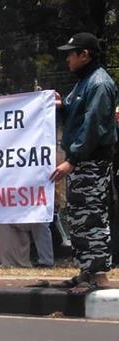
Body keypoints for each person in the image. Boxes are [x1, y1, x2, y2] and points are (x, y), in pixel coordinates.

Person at [51, 32, 118, 293]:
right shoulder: (83, 83)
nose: (67, 58)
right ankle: (85, 272)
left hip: (91, 162)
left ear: (84, 55)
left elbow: (94, 127)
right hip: (81, 163)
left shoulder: (99, 84)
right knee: (79, 217)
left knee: (93, 217)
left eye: (71, 53)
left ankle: (99, 277)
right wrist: (59, 105)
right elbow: (74, 113)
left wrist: (73, 160)